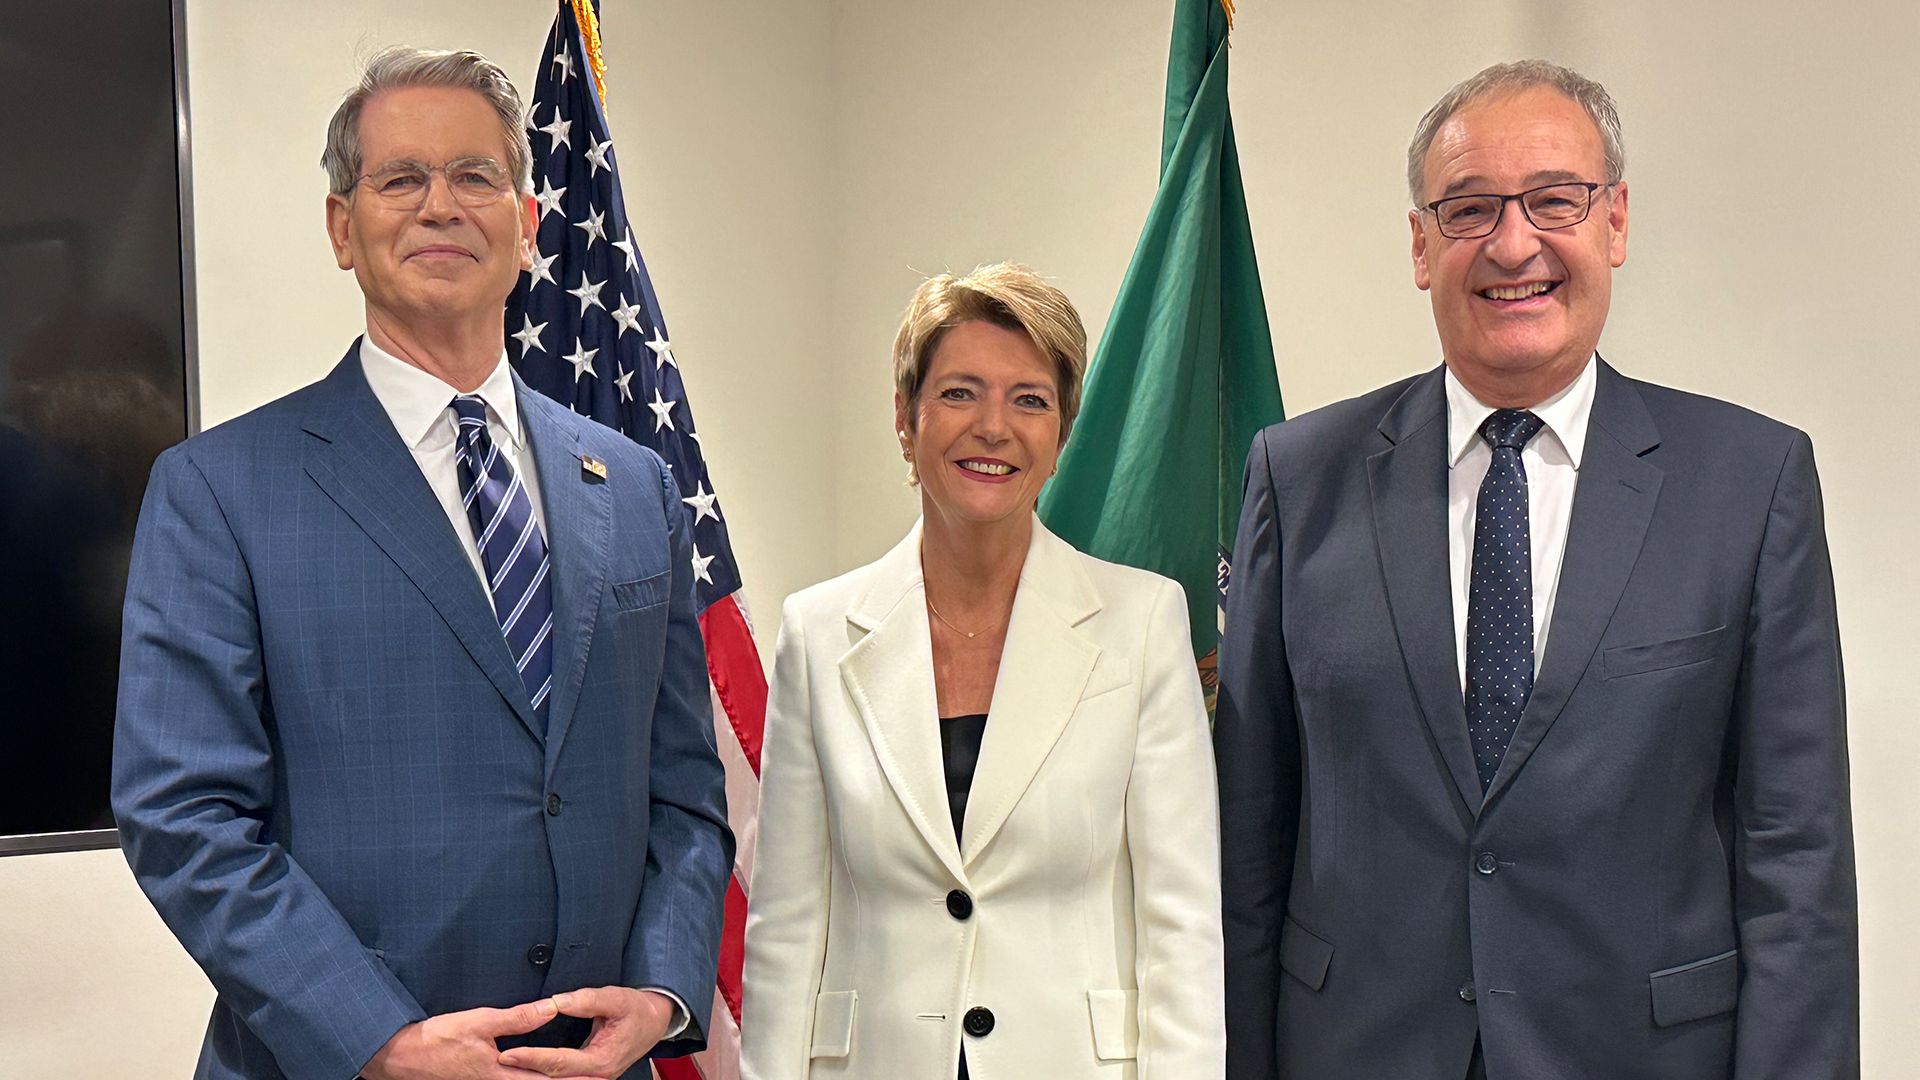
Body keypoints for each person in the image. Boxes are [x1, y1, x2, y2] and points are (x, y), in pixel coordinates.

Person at [1216, 60, 1857, 1080]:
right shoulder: (1297, 481)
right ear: (1420, 245)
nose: (1514, 244)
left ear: (1615, 222)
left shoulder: (1750, 483)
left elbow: (1797, 858)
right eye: (1469, 208)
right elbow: (1247, 838)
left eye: (1555, 200)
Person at [111, 47, 732, 1080]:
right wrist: (377, 1037)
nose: (441, 205)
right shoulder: (218, 490)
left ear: (527, 226)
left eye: (475, 176)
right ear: (342, 228)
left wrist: (665, 992)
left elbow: (684, 790)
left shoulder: (634, 486)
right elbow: (184, 816)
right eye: (400, 179)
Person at [740, 264, 1224, 1080]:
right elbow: (786, 929)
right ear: (906, 419)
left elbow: (1181, 926)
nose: (993, 427)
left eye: (1029, 399)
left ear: (1061, 436)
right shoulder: (818, 633)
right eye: (960, 393)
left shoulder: (1142, 623)